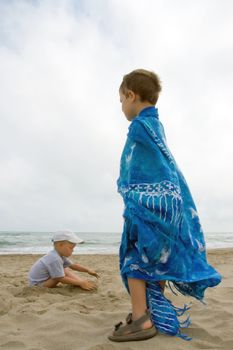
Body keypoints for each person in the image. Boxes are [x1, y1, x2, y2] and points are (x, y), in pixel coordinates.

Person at [108, 69, 221, 342]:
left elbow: (141, 169)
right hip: (170, 208)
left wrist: (135, 196)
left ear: (131, 96)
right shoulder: (156, 125)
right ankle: (153, 312)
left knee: (134, 260)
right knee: (157, 259)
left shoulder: (139, 127)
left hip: (150, 206)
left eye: (121, 99)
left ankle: (141, 319)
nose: (121, 105)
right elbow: (167, 168)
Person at [28, 230, 99, 290]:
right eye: (70, 248)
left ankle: (81, 282)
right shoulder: (54, 258)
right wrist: (80, 283)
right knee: (61, 271)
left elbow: (73, 265)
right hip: (38, 285)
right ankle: (80, 283)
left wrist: (87, 270)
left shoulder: (58, 255)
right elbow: (60, 278)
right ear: (60, 245)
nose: (73, 251)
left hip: (45, 280)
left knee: (63, 269)